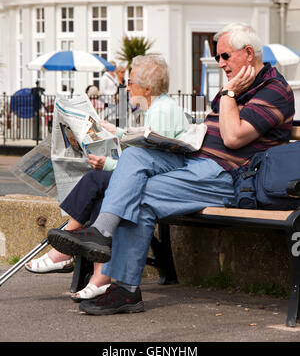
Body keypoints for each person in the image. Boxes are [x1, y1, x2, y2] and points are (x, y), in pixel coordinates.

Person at [47, 22, 295, 316]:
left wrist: (228, 94)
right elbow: (214, 130)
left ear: (249, 52)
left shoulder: (274, 90)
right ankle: (101, 232)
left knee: (140, 195)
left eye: (225, 56)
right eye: (218, 57)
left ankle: (125, 290)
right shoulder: (238, 87)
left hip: (227, 175)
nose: (220, 63)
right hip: (196, 160)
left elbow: (233, 137)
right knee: (136, 155)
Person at [27, 55, 189, 301]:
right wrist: (119, 133)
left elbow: (152, 163)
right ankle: (99, 276)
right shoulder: (160, 107)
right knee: (101, 189)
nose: (127, 86)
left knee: (96, 181)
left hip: (158, 184)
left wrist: (109, 163)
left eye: (131, 81)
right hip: (150, 178)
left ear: (147, 88)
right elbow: (149, 149)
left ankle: (66, 251)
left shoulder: (162, 111)